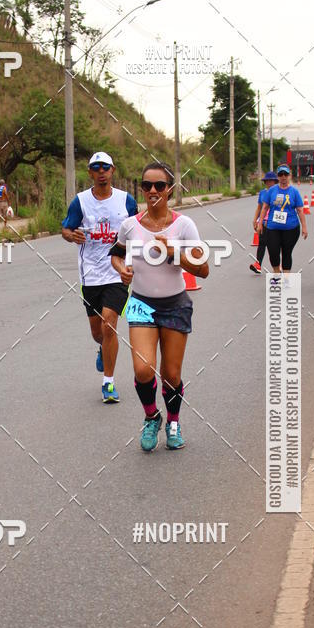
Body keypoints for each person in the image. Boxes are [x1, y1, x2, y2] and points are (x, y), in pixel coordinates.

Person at [110, 161, 208, 452]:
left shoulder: (184, 225)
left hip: (175, 304)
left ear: (170, 189)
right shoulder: (130, 226)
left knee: (172, 374)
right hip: (141, 303)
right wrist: (121, 270)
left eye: (159, 186)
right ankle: (152, 416)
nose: (153, 191)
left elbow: (203, 269)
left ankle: (174, 422)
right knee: (142, 370)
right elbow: (115, 254)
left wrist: (173, 253)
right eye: (146, 186)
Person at [61, 151, 137, 403]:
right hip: (90, 275)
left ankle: (109, 383)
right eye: (96, 167)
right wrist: (72, 236)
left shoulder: (126, 201)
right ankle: (103, 350)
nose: (101, 171)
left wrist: (135, 262)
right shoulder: (80, 202)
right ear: (90, 172)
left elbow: (137, 231)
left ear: (113, 170)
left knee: (109, 324)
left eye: (105, 167)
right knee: (98, 332)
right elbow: (65, 229)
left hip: (117, 272)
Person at [257, 165, 307, 274]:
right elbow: (264, 207)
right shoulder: (272, 191)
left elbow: (300, 210)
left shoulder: (294, 191)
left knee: (286, 252)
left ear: (289, 176)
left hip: (291, 228)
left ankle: (287, 277)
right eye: (280, 174)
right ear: (278, 177)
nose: (283, 177)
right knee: (273, 251)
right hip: (272, 227)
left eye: (285, 174)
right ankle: (276, 272)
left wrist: (304, 227)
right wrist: (260, 223)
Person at [249, 171, 277, 274]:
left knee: (274, 246)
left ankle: (278, 267)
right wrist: (255, 220)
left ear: (275, 182)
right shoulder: (263, 193)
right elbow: (259, 207)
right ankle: (258, 264)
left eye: (271, 181)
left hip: (275, 223)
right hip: (263, 222)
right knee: (261, 243)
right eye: (267, 181)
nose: (268, 183)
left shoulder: (279, 192)